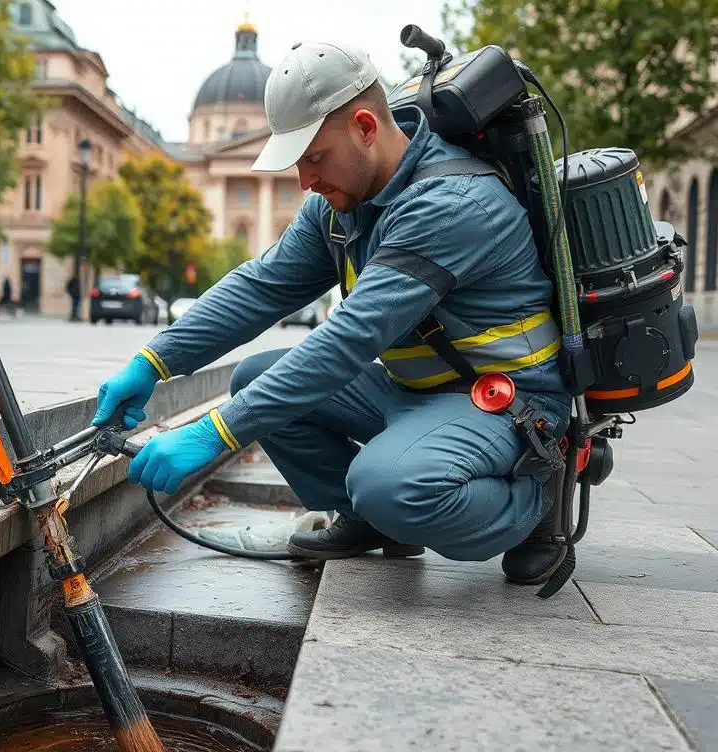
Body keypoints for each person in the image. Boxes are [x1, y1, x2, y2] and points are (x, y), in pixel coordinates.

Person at [88, 40, 572, 585]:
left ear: (366, 126)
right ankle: (375, 524)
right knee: (257, 377)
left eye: (314, 158)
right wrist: (153, 361)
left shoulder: (451, 204)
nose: (305, 182)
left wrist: (214, 434)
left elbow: (346, 342)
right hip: (417, 393)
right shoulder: (341, 203)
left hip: (505, 402)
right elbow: (261, 286)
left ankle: (536, 498)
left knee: (388, 483)